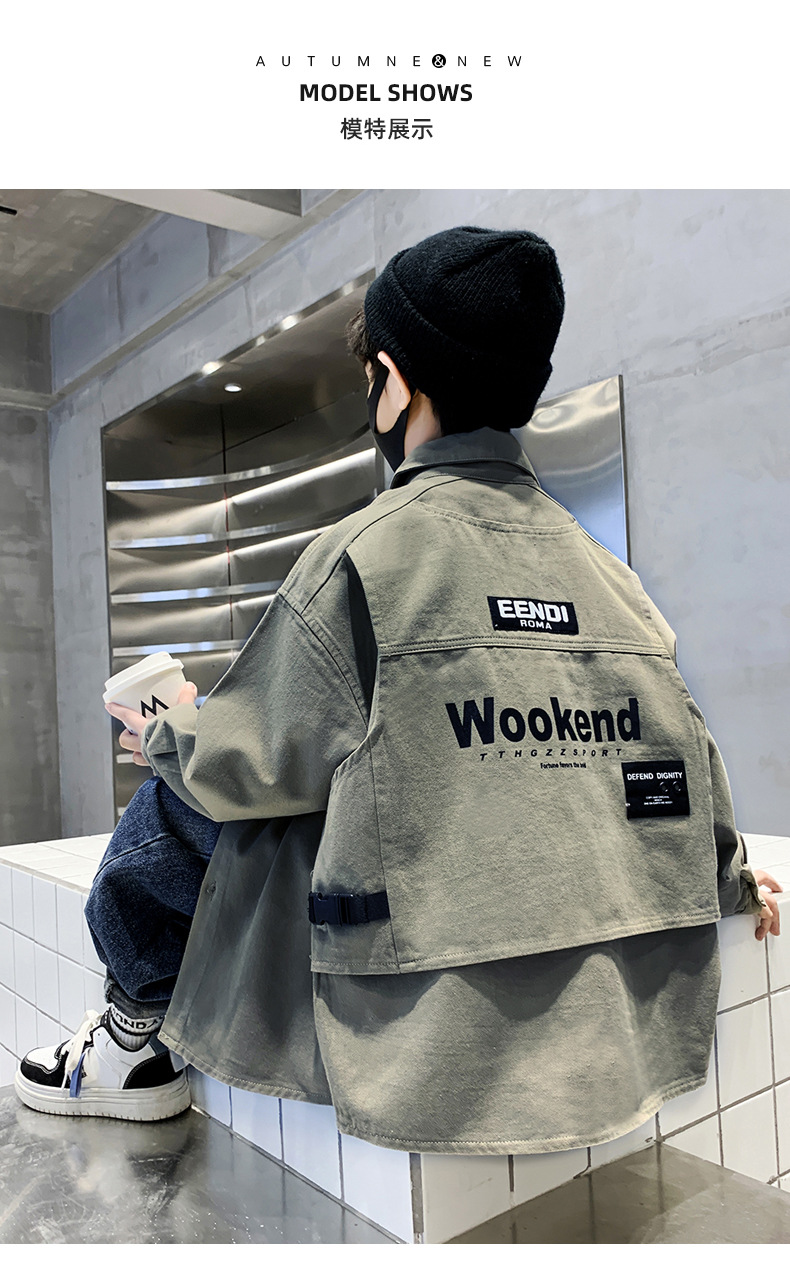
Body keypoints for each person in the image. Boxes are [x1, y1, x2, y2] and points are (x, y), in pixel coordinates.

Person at [15, 226, 782, 1152]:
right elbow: (680, 763)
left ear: (397, 380)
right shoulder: (615, 581)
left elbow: (247, 766)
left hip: (418, 1042)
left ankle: (132, 1040)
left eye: (372, 379)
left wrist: (169, 731)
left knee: (174, 808)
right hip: (630, 1040)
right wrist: (731, 878)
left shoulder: (361, 557)